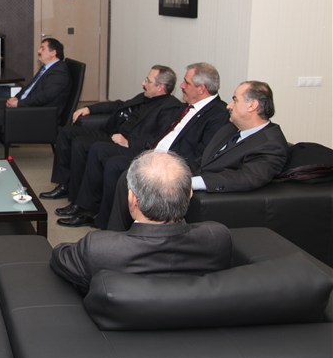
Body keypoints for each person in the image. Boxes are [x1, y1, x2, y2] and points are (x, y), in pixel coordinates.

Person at [61, 62, 229, 228]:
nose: (182, 86)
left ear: (201, 89)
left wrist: (165, 165)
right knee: (99, 150)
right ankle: (88, 209)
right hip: (151, 151)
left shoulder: (217, 114)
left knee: (114, 165)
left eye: (187, 82)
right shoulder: (186, 107)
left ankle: (107, 224)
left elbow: (202, 155)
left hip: (168, 164)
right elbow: (159, 133)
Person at [106, 80, 290, 231]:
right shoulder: (229, 129)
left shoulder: (271, 143)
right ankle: (117, 236)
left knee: (134, 181)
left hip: (208, 191)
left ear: (252, 105)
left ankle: (120, 240)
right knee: (129, 176)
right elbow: (203, 160)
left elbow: (246, 178)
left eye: (235, 100)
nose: (229, 106)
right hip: (191, 175)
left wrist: (188, 182)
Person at [50, 150, 232, 295]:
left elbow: (59, 257)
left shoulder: (98, 248)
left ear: (132, 199)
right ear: (190, 194)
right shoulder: (218, 237)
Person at [40, 66, 182, 207]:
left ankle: (80, 202)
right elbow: (119, 105)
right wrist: (90, 108)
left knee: (81, 144)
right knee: (66, 132)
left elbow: (159, 138)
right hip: (111, 131)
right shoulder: (145, 97)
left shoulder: (169, 107)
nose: (143, 83)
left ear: (160, 87)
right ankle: (65, 185)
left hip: (125, 143)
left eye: (148, 81)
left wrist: (129, 142)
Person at [0, 37, 71, 160]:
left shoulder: (59, 72)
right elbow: (29, 89)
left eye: (42, 48)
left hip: (41, 115)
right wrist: (15, 98)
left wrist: (19, 103)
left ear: (53, 53)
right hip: (31, 107)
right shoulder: (47, 68)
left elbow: (44, 97)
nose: (38, 51)